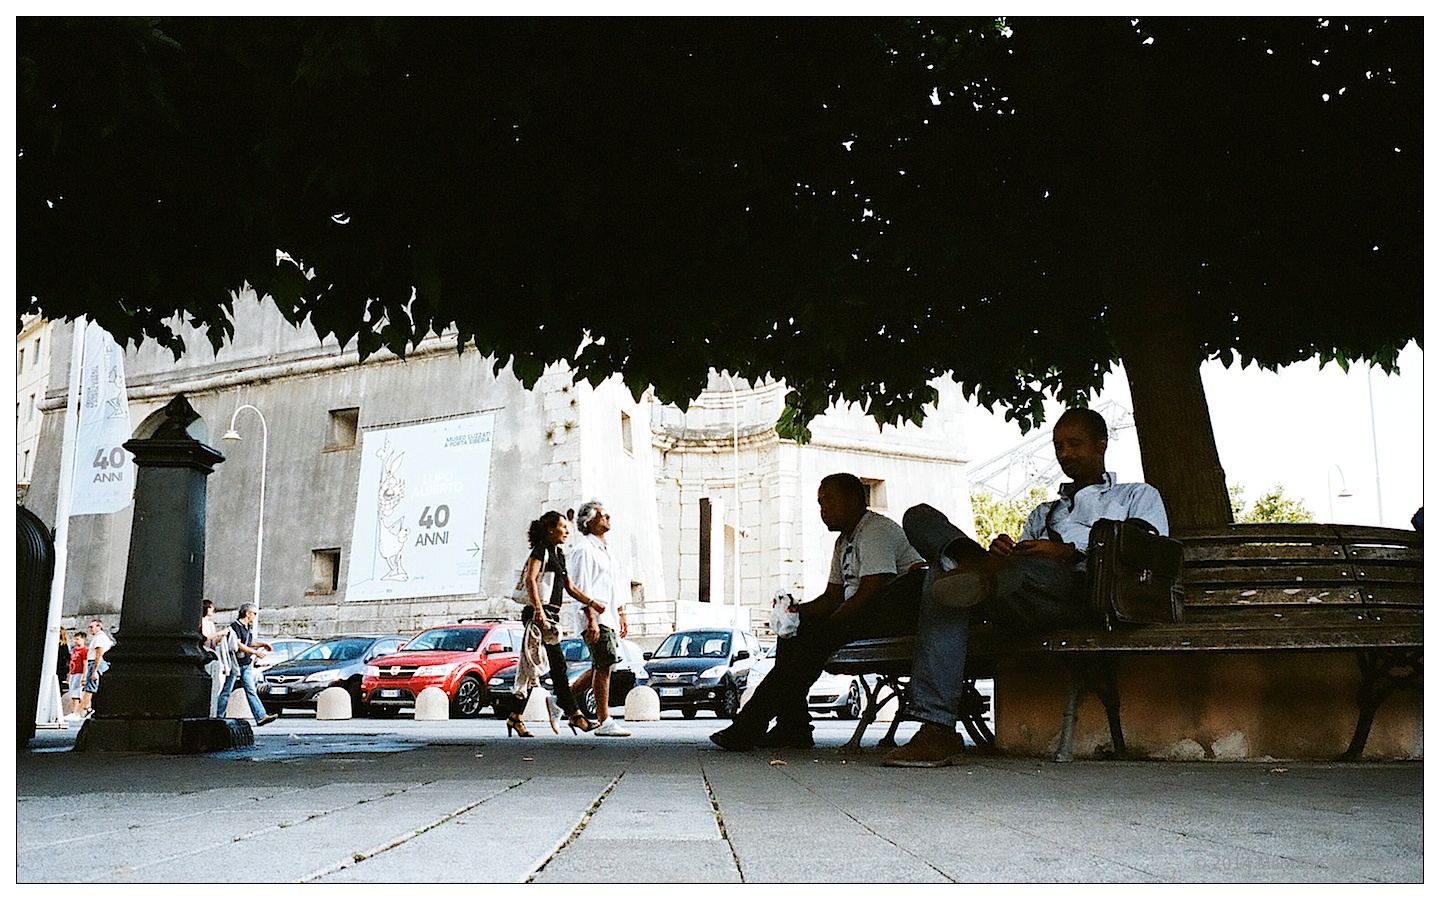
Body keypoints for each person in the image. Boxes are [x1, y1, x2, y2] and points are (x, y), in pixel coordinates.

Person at [884, 407, 1168, 767]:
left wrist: (1069, 552)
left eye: (1074, 444)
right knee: (920, 521)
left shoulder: (1136, 495)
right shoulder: (1044, 513)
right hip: (1021, 592)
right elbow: (1022, 564)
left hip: (1080, 593)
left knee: (947, 577)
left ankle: (936, 727)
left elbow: (1146, 549)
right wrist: (1006, 552)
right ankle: (973, 561)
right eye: (1058, 446)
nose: (1064, 453)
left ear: (1101, 444)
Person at [711, 473, 926, 751]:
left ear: (854, 500)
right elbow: (832, 597)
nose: (823, 511)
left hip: (887, 617)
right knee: (792, 635)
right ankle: (792, 727)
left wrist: (830, 624)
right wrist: (796, 612)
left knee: (809, 644)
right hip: (859, 617)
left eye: (829, 502)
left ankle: (750, 725)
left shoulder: (876, 531)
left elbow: (871, 591)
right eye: (820, 503)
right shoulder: (843, 542)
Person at [516, 511, 602, 736]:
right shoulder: (541, 551)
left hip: (552, 616)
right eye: (563, 527)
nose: (567, 531)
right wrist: (538, 611)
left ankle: (515, 716)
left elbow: (570, 588)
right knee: (557, 666)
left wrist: (592, 602)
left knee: (531, 667)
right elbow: (530, 579)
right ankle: (575, 714)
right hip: (539, 616)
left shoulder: (560, 554)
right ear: (550, 530)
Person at [568, 500, 632, 737]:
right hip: (596, 617)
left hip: (609, 616)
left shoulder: (606, 550)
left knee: (604, 664)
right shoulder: (584, 549)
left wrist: (621, 613)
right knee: (604, 665)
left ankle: (561, 700)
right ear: (589, 522)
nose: (608, 517)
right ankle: (604, 720)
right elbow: (581, 586)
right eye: (602, 515)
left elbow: (614, 584)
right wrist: (591, 619)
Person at [214, 603, 278, 726]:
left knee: (251, 690)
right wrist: (255, 652)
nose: (255, 616)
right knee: (227, 690)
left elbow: (248, 642)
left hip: (246, 663)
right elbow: (238, 644)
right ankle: (218, 716)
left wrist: (262, 644)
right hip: (235, 664)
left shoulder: (247, 627)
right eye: (254, 613)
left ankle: (261, 716)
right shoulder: (235, 626)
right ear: (247, 613)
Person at [76, 619, 114, 719]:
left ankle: (78, 712)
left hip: (95, 663)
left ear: (99, 627)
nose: (90, 629)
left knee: (89, 688)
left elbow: (99, 653)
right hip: (101, 663)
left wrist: (94, 670)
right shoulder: (105, 638)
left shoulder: (99, 638)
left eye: (92, 627)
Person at [199, 599, 230, 718]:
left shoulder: (211, 624)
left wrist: (221, 637)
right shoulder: (201, 623)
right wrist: (219, 633)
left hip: (212, 654)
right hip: (205, 654)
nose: (212, 609)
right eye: (210, 607)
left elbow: (214, 642)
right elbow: (204, 639)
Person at [64, 631, 87, 719]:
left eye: (78, 639)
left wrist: (84, 676)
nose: (75, 641)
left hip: (79, 673)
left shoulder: (84, 651)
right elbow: (71, 663)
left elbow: (85, 664)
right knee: (72, 691)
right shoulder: (74, 650)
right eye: (75, 639)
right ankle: (81, 709)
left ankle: (75, 711)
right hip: (73, 672)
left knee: (76, 692)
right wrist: (69, 674)